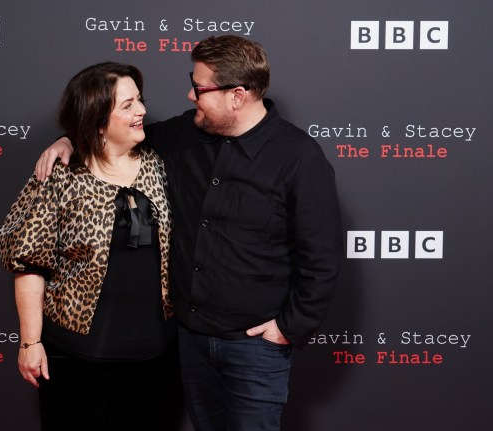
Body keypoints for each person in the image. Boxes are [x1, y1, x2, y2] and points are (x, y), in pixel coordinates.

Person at [36, 35, 344, 431]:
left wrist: (289, 328)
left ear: (237, 96)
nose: (190, 93)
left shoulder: (299, 157)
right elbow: (114, 135)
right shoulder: (184, 134)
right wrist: (68, 139)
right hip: (189, 341)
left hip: (255, 348)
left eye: (199, 87)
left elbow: (322, 255)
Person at [0, 62, 177, 431]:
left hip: (154, 354)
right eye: (127, 105)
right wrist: (30, 342)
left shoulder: (161, 163)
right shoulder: (59, 174)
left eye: (139, 100)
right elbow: (30, 264)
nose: (141, 110)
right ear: (98, 120)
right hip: (76, 354)